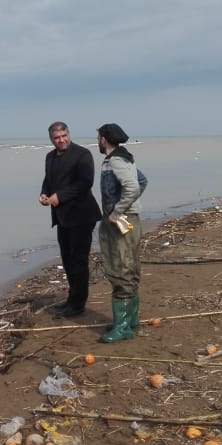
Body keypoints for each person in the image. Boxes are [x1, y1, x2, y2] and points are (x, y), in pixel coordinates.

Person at [39, 122, 101, 317]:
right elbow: (48, 179)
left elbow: (85, 182)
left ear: (69, 134)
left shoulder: (82, 154)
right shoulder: (50, 157)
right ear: (51, 139)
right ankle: (72, 298)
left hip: (82, 215)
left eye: (64, 135)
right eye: (57, 138)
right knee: (67, 260)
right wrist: (44, 193)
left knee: (78, 261)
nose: (61, 140)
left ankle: (78, 304)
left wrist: (60, 196)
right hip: (62, 217)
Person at [96, 123, 146, 343]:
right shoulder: (125, 158)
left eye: (98, 137)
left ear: (104, 139)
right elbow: (142, 181)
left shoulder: (116, 160)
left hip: (121, 223)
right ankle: (129, 320)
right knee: (129, 268)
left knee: (120, 270)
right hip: (129, 219)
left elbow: (134, 187)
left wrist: (117, 211)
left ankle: (123, 326)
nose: (97, 140)